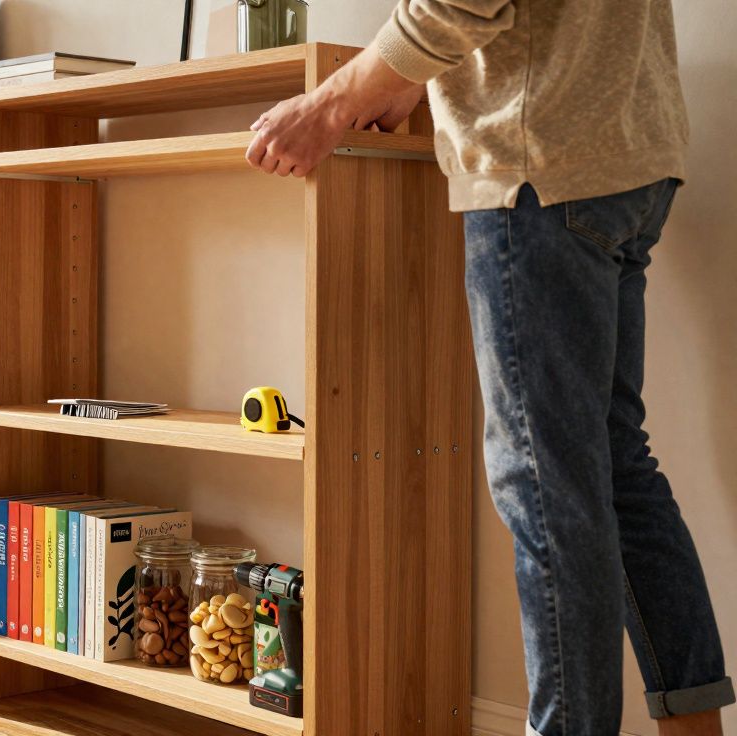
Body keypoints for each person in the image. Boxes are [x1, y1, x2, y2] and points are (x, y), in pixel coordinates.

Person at [244, 1, 734, 734]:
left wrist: (332, 99)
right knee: (613, 469)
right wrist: (407, 78)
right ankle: (694, 724)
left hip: (542, 160)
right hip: (626, 149)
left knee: (544, 484)